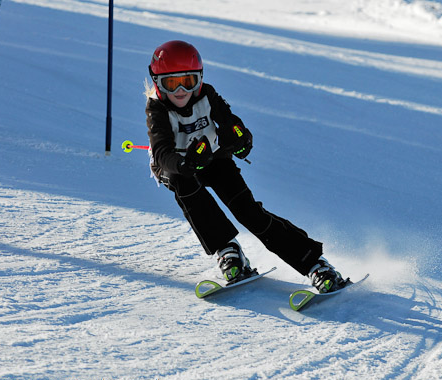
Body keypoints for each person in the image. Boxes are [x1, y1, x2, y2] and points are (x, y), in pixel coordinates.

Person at [144, 40, 349, 293]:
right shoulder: (157, 109)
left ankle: (315, 265)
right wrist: (183, 164)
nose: (180, 91)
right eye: (171, 83)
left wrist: (240, 139)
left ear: (200, 79)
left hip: (212, 158)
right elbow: (162, 152)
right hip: (176, 168)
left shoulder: (207, 95)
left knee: (249, 213)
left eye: (188, 81)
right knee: (186, 187)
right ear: (157, 82)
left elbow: (231, 122)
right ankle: (227, 250)